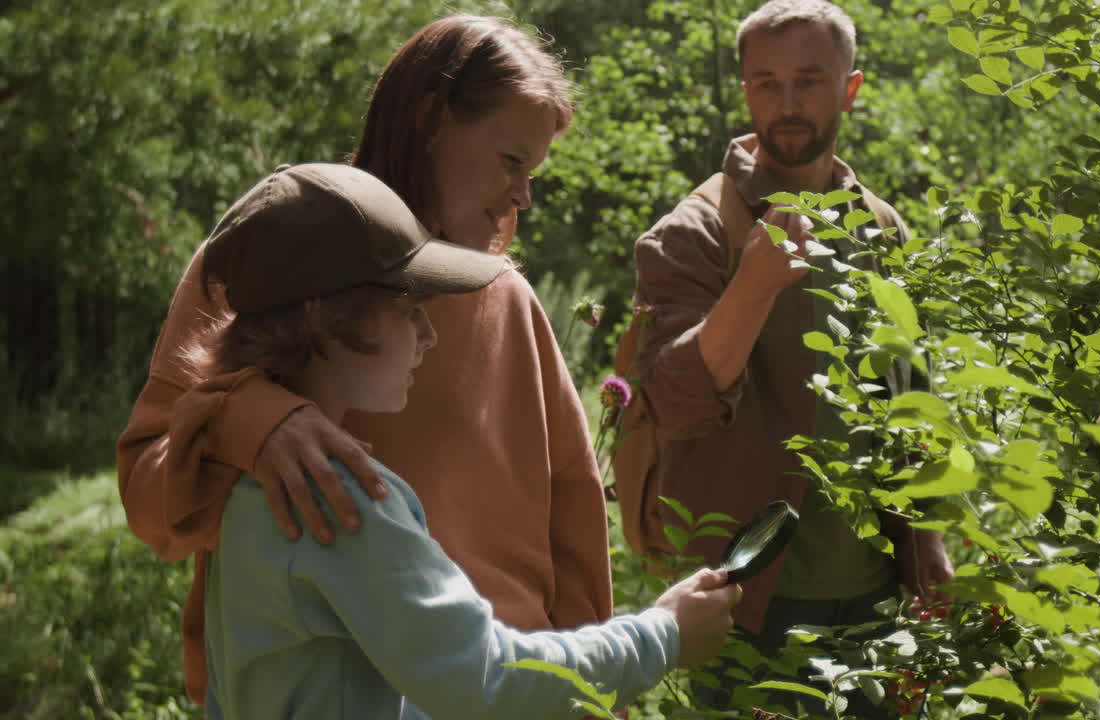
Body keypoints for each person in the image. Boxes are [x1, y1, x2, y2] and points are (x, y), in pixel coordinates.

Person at [116, 15, 619, 704]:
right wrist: (252, 421)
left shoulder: (509, 300)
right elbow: (148, 500)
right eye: (510, 162)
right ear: (431, 121)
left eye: (532, 171)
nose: (523, 196)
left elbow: (575, 523)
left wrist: (592, 701)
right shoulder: (265, 257)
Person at [179, 161, 740, 718]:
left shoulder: (244, 472)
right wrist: (663, 634)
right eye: (407, 310)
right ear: (325, 319)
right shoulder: (337, 503)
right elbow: (486, 679)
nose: (428, 334)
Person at [623, 0, 955, 712]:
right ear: (745, 90)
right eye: (766, 83)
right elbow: (675, 400)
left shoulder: (880, 226)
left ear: (851, 88)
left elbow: (908, 392)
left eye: (809, 80)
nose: (788, 103)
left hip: (873, 597)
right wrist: (754, 284)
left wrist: (923, 535)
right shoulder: (695, 231)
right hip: (749, 603)